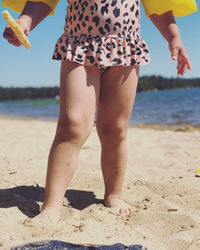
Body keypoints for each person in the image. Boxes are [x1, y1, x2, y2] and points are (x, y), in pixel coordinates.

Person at [2, 0, 196, 224]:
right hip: (79, 45)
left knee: (114, 127)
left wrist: (174, 37)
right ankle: (52, 205)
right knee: (72, 125)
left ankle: (114, 195)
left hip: (125, 47)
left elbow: (158, 3)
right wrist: (26, 20)